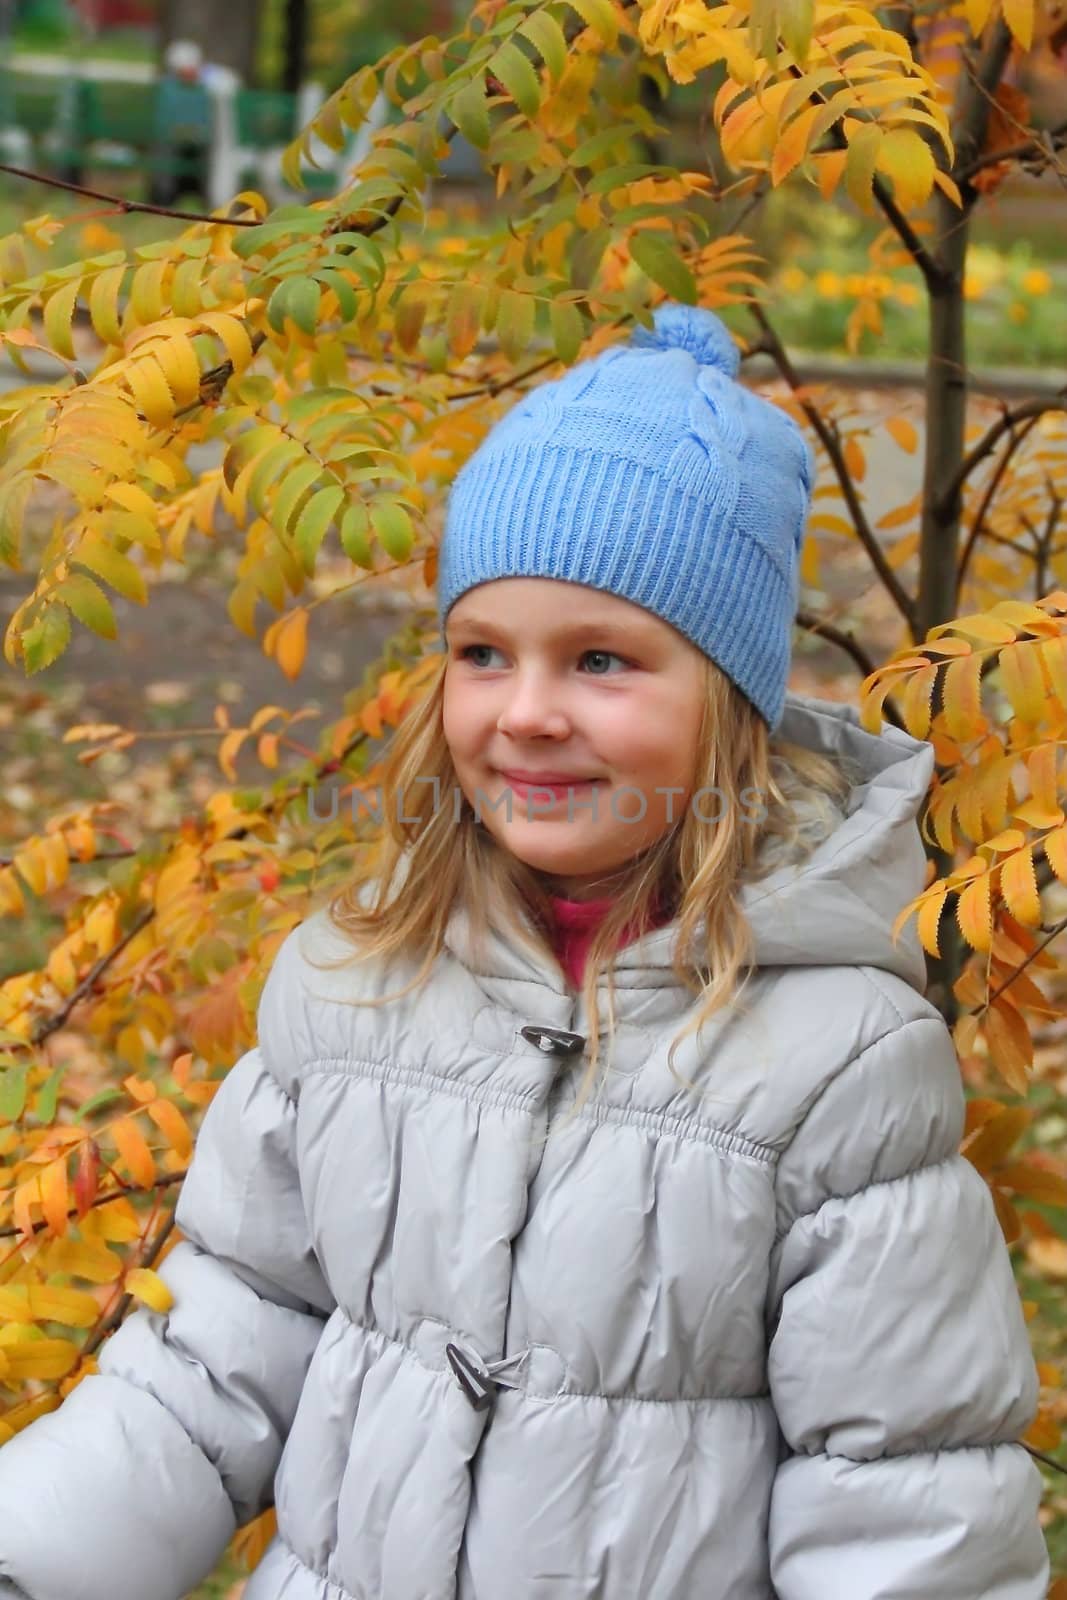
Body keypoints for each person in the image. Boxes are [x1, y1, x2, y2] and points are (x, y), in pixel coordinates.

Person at [0, 303, 1049, 1599]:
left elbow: (902, 1504)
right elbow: (210, 1365)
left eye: (600, 660)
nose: (526, 713)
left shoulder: (838, 1065)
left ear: (726, 703)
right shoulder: (350, 984)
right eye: (480, 654)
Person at [149, 38, 214, 208]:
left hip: (192, 141)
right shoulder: (200, 89)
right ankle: (168, 195)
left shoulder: (168, 88)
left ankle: (169, 195)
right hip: (180, 141)